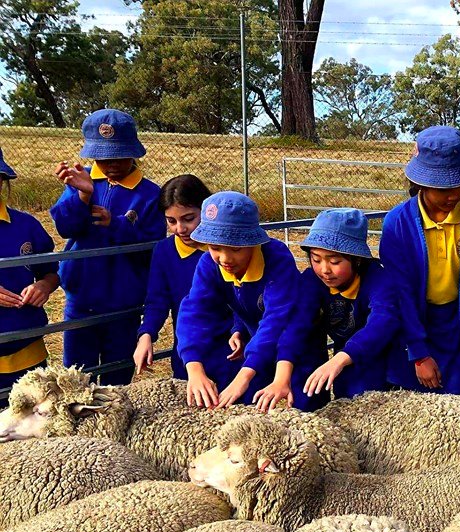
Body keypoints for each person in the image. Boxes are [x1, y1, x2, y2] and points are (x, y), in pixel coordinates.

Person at [379, 126, 460, 398]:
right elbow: (401, 293)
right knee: (415, 410)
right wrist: (419, 353)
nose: (453, 195)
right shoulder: (397, 224)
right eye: (442, 187)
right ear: (420, 183)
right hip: (415, 325)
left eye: (459, 184)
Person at [50, 108, 165, 384]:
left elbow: (152, 247)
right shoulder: (82, 181)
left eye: (119, 155)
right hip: (81, 299)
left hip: (123, 304)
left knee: (116, 379)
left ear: (134, 152)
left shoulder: (150, 194)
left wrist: (117, 224)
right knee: (76, 379)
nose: (111, 163)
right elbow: (65, 227)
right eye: (103, 156)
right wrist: (82, 195)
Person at [256, 209, 397, 411]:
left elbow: (382, 323)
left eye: (334, 261)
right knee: (342, 403)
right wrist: (281, 378)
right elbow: (297, 324)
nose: (324, 269)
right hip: (345, 354)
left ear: (357, 259)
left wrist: (338, 361)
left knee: (370, 408)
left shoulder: (379, 280)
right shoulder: (312, 281)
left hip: (381, 357)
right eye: (316, 259)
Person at [176, 191, 298, 408]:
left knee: (301, 406)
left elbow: (277, 319)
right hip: (253, 343)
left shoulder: (277, 261)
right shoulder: (209, 264)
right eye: (214, 248)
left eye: (235, 249)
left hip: (292, 345)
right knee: (246, 406)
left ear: (253, 242)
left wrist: (243, 376)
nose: (224, 258)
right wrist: (194, 368)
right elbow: (194, 311)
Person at [133, 174, 236, 380]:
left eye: (189, 219)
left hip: (232, 352)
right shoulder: (164, 251)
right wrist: (146, 334)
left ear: (206, 212)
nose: (180, 229)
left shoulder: (228, 252)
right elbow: (157, 300)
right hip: (188, 353)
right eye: (171, 221)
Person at [0, 147, 59, 398]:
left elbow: (52, 273)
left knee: (31, 426)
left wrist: (44, 286)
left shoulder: (27, 226)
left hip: (28, 351)